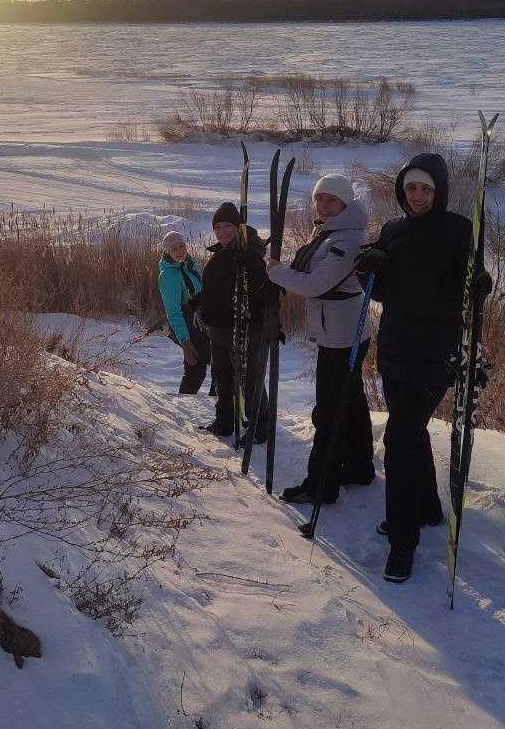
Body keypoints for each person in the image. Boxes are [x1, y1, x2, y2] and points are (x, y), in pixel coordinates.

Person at [355, 152, 491, 584]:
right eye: (411, 188)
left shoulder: (457, 230)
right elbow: (379, 291)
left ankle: (402, 540)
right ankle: (427, 508)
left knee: (399, 437)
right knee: (408, 431)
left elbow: (469, 285)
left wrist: (479, 285)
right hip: (394, 348)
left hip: (436, 353)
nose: (417, 196)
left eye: (425, 189)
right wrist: (368, 269)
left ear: (439, 191)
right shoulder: (392, 230)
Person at [266, 173, 374, 505]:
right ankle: (358, 466)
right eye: (319, 198)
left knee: (328, 409)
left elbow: (316, 284)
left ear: (345, 203)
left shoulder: (345, 239)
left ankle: (320, 484)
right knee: (351, 401)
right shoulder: (332, 232)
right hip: (342, 329)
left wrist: (275, 271)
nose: (324, 205)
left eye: (332, 200)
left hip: (342, 336)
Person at [199, 201, 270, 441]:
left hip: (244, 328)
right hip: (217, 330)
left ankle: (260, 425)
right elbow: (215, 289)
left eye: (227, 226)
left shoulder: (250, 255)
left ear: (238, 227)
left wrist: (267, 324)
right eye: (217, 227)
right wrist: (196, 303)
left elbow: (262, 291)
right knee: (222, 377)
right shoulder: (220, 253)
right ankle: (225, 421)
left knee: (249, 378)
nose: (222, 232)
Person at [157, 231, 212, 394]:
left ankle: (219, 403)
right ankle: (183, 406)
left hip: (201, 320)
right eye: (174, 248)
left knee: (216, 364)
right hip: (185, 325)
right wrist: (185, 342)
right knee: (197, 369)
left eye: (182, 246)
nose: (180, 251)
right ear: (167, 252)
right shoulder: (167, 276)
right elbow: (173, 312)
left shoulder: (190, 263)